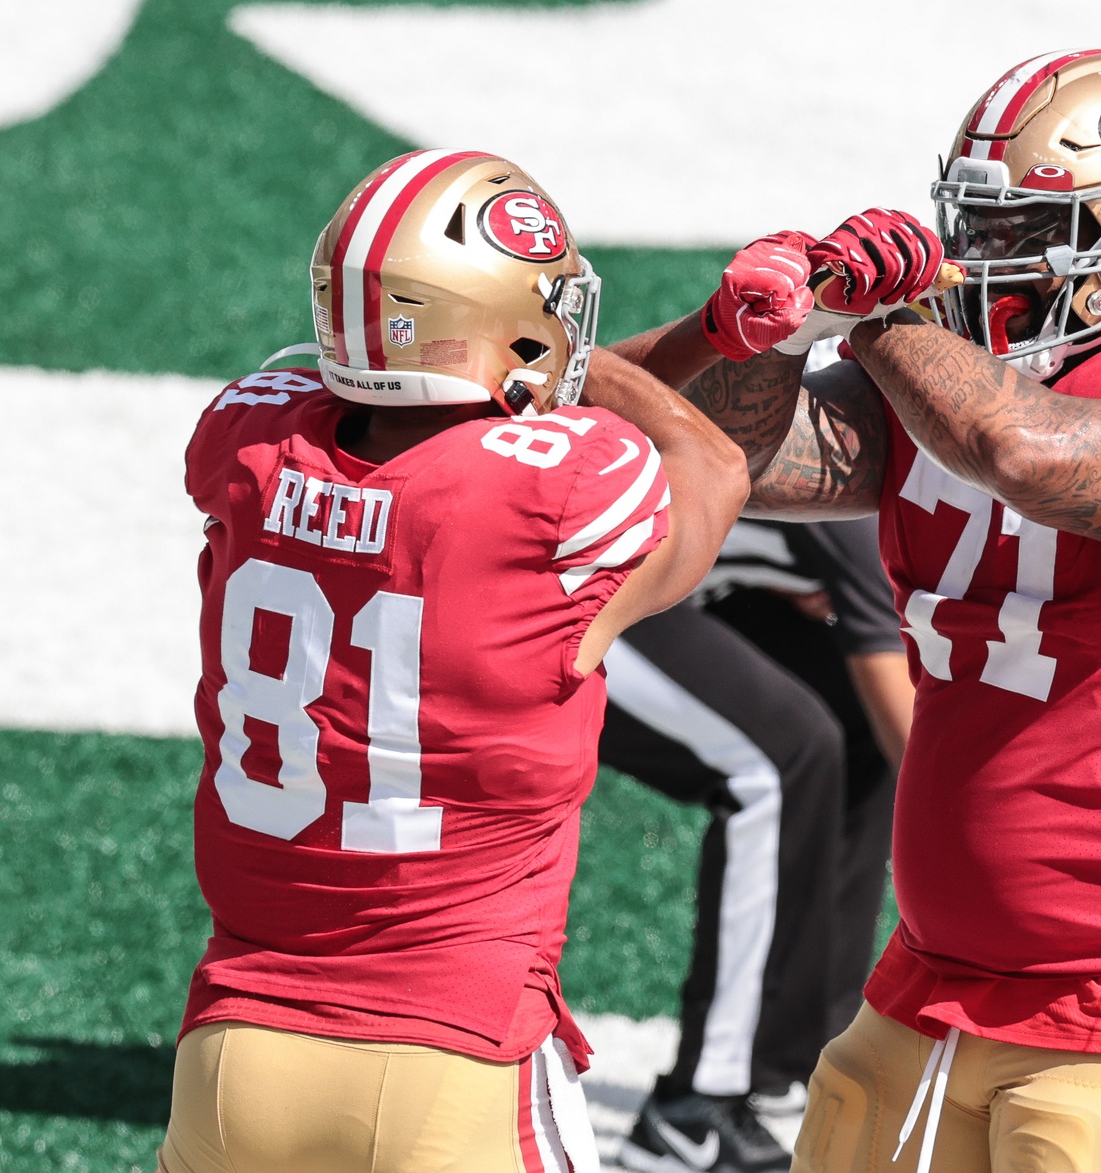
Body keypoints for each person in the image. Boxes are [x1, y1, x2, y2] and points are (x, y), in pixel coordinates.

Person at [615, 50, 1101, 1173]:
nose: (984, 261)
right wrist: (759, 331)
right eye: (972, 226)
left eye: (1025, 232)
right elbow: (706, 459)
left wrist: (879, 317)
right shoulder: (936, 381)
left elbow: (1030, 451)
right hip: (924, 983)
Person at [158, 149, 746, 1173]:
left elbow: (371, 423)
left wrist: (681, 338)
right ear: (509, 329)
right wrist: (605, 349)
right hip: (451, 1054)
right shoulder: (550, 493)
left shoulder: (252, 449)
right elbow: (710, 464)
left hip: (232, 1052)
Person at [602, 508, 913, 1173]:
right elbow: (908, 722)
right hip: (581, 591)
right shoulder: (870, 486)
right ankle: (694, 1114)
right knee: (784, 754)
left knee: (851, 717)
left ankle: (806, 1064)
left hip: (682, 585)